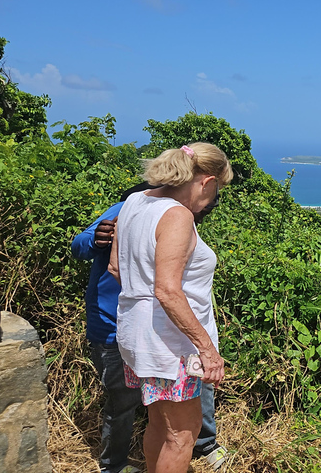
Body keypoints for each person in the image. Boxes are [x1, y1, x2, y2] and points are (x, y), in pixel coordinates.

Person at [72, 181, 227, 473]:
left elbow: (120, 270)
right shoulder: (150, 211)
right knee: (154, 420)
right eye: (210, 200)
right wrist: (97, 237)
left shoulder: (150, 210)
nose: (205, 209)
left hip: (138, 328)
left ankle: (204, 444)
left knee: (166, 419)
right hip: (136, 330)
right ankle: (113, 465)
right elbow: (81, 246)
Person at [107, 143, 233, 473]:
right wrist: (207, 349)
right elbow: (167, 290)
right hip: (172, 346)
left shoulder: (135, 201)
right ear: (206, 182)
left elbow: (116, 268)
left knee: (160, 425)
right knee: (182, 435)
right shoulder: (176, 216)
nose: (212, 203)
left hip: (137, 337)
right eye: (216, 193)